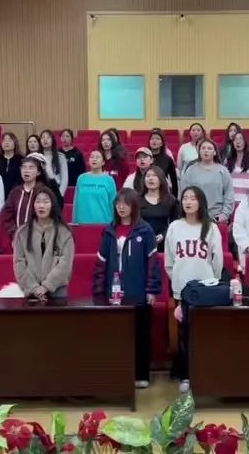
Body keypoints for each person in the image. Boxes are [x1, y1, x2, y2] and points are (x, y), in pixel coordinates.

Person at [92, 189, 162, 389]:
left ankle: (141, 374)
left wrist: (151, 290)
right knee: (115, 335)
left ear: (134, 206)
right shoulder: (109, 231)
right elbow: (100, 263)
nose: (121, 207)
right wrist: (98, 292)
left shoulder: (145, 231)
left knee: (140, 335)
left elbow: (153, 263)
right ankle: (118, 374)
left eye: (125, 203)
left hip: (138, 293)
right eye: (118, 203)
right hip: (112, 294)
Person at [165, 186, 224, 393]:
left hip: (205, 291)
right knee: (184, 334)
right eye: (185, 198)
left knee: (204, 334)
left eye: (193, 198)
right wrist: (178, 283)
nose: (188, 202)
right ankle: (186, 376)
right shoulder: (174, 227)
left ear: (201, 202)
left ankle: (206, 374)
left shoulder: (211, 228)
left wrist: (211, 284)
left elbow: (217, 261)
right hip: (182, 290)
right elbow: (169, 261)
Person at [14, 186, 75, 300]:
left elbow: (65, 264)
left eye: (46, 202)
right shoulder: (22, 232)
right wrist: (34, 287)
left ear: (53, 205)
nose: (41, 206)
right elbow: (19, 262)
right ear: (33, 205)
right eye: (38, 202)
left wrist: (47, 286)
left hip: (57, 290)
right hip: (31, 290)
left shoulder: (64, 233)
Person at [0, 153, 59, 242]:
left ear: (38, 172)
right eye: (24, 167)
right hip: (17, 239)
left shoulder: (44, 192)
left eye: (31, 168)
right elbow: (4, 216)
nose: (26, 171)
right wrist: (15, 232)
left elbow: (51, 216)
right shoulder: (16, 192)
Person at [180, 138, 234, 222]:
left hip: (216, 217)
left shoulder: (223, 171)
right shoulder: (191, 170)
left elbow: (228, 194)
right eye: (203, 148)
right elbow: (184, 193)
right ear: (199, 151)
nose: (206, 151)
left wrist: (224, 214)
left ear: (215, 152)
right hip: (195, 216)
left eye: (209, 148)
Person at [139, 165, 178, 251]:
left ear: (161, 179)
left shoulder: (170, 200)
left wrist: (164, 234)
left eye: (154, 176)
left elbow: (175, 223)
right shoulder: (137, 200)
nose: (151, 178)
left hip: (164, 243)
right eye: (148, 176)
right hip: (141, 241)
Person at [73, 150, 117, 225]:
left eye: (97, 157)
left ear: (103, 162)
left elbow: (113, 203)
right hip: (82, 222)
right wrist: (74, 221)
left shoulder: (109, 180)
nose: (94, 159)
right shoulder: (81, 178)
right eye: (92, 157)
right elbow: (76, 202)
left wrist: (114, 224)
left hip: (104, 222)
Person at [224, 131, 249, 207]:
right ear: (232, 143)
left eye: (241, 139)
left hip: (248, 201)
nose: (238, 142)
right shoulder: (227, 161)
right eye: (235, 140)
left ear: (245, 142)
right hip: (231, 202)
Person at [148, 129, 179, 195]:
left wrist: (174, 198)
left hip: (163, 193)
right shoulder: (144, 158)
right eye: (152, 139)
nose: (154, 141)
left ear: (162, 143)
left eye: (157, 139)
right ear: (149, 142)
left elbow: (174, 182)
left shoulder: (168, 159)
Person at [0, 132, 23, 199]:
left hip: (17, 195)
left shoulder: (21, 160)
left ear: (15, 143)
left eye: (9, 140)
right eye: (4, 140)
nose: (6, 142)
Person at [40, 129, 69, 196]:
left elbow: (64, 180)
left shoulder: (60, 156)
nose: (45, 140)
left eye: (48, 137)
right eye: (43, 137)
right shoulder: (37, 156)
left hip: (56, 189)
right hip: (41, 190)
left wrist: (59, 195)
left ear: (53, 140)